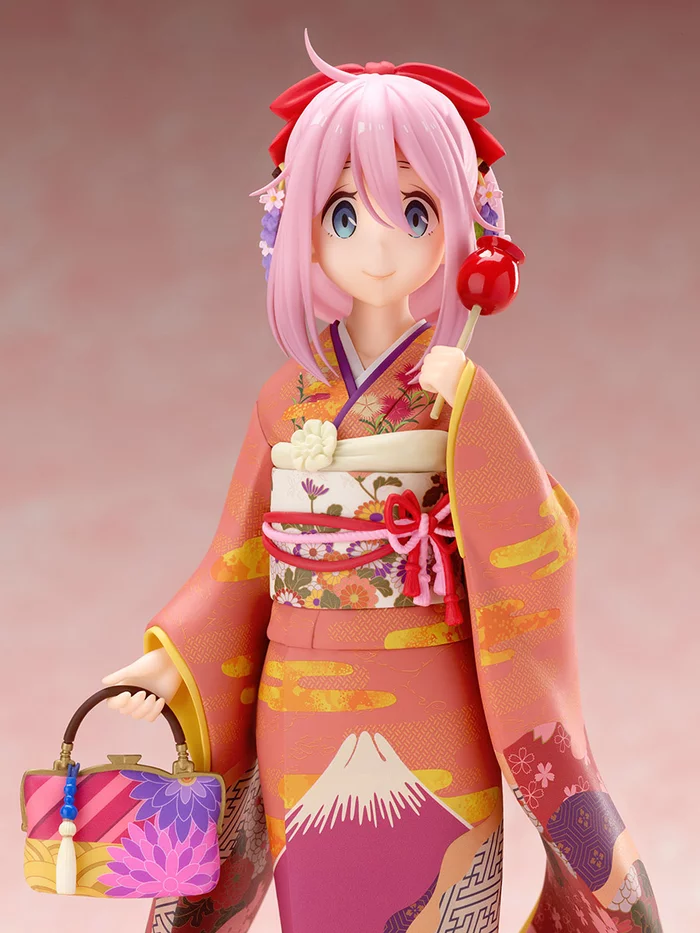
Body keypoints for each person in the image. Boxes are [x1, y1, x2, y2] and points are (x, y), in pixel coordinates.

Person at [101, 31, 662, 933]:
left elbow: (540, 539)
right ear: (298, 228)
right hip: (302, 701)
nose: (377, 247)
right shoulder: (284, 399)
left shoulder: (457, 390)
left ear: (463, 224)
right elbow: (238, 563)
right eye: (343, 215)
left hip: (434, 691)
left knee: (442, 896)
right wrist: (172, 659)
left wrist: (474, 409)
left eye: (413, 211)